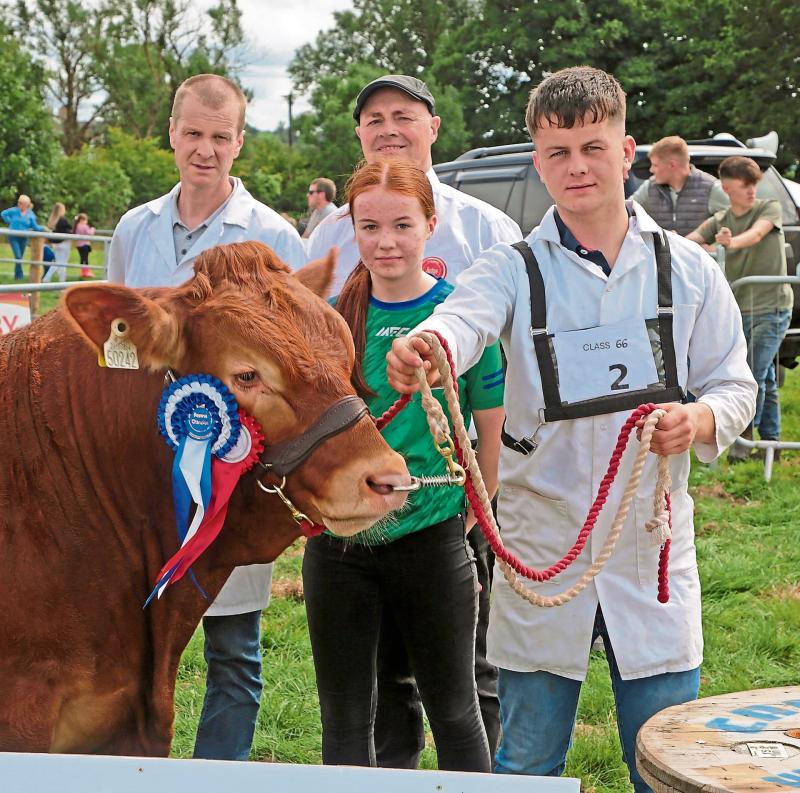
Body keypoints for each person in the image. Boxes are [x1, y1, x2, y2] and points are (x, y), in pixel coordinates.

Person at [386, 66, 756, 789]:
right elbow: (463, 318)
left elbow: (735, 379)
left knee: (667, 765)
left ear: (628, 153)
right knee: (527, 764)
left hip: (647, 550)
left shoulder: (689, 270)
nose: (576, 166)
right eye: (557, 152)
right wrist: (429, 343)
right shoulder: (511, 267)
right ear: (537, 161)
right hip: (543, 544)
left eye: (593, 146)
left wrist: (703, 416)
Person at [308, 73, 521, 766]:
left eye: (402, 225)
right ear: (351, 227)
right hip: (342, 545)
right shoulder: (335, 319)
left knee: (456, 706)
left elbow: (488, 426)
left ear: (430, 226)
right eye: (370, 227)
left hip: (434, 535)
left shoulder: (461, 319)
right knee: (347, 717)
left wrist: (472, 515)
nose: (386, 242)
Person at [108, 73, 306, 761]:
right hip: (136, 470)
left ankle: (215, 775)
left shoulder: (274, 236)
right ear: (172, 133)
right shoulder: (135, 228)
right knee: (129, 639)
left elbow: (299, 360)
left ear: (240, 142)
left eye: (220, 137)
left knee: (233, 648)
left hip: (231, 472)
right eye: (193, 133)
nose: (205, 149)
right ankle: (129, 769)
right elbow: (115, 349)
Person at [688, 155, 792, 461]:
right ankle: (770, 441)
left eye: (754, 184)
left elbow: (757, 234)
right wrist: (705, 247)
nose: (751, 191)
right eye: (744, 185)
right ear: (727, 186)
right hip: (740, 310)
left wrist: (729, 244)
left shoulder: (768, 207)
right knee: (766, 378)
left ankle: (742, 444)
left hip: (772, 307)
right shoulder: (720, 220)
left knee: (754, 374)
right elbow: (689, 242)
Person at [631, 136, 729, 236]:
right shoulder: (649, 187)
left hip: (697, 252)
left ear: (672, 165)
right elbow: (626, 213)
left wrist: (715, 247)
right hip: (661, 252)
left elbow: (739, 220)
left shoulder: (711, 187)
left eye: (655, 165)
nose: (651, 170)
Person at [2, 194, 45, 280]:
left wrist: (44, 228)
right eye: (19, 202)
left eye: (22, 203)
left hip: (24, 238)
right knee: (18, 256)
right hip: (13, 237)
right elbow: (3, 214)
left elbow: (35, 226)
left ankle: (17, 275)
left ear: (27, 205)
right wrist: (9, 221)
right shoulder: (14, 211)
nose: (19, 204)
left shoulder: (30, 214)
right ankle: (19, 276)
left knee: (20, 258)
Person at [43, 202, 72, 283]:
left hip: (56, 244)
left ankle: (47, 279)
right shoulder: (62, 220)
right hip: (64, 243)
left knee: (57, 262)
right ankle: (62, 283)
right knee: (62, 263)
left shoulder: (52, 219)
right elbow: (68, 230)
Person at [72, 213, 95, 278]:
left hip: (79, 245)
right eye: (85, 220)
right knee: (86, 259)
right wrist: (93, 229)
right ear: (82, 220)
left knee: (82, 259)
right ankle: (87, 272)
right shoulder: (84, 226)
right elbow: (89, 233)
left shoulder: (76, 226)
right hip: (85, 245)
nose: (86, 221)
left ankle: (82, 272)